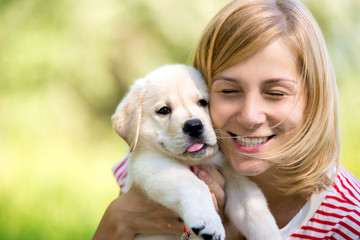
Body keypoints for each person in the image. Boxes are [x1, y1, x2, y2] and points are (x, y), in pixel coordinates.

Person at [93, 0, 360, 239]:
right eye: (229, 91)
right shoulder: (145, 171)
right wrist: (116, 221)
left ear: (314, 97)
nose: (250, 116)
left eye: (275, 93)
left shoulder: (349, 220)